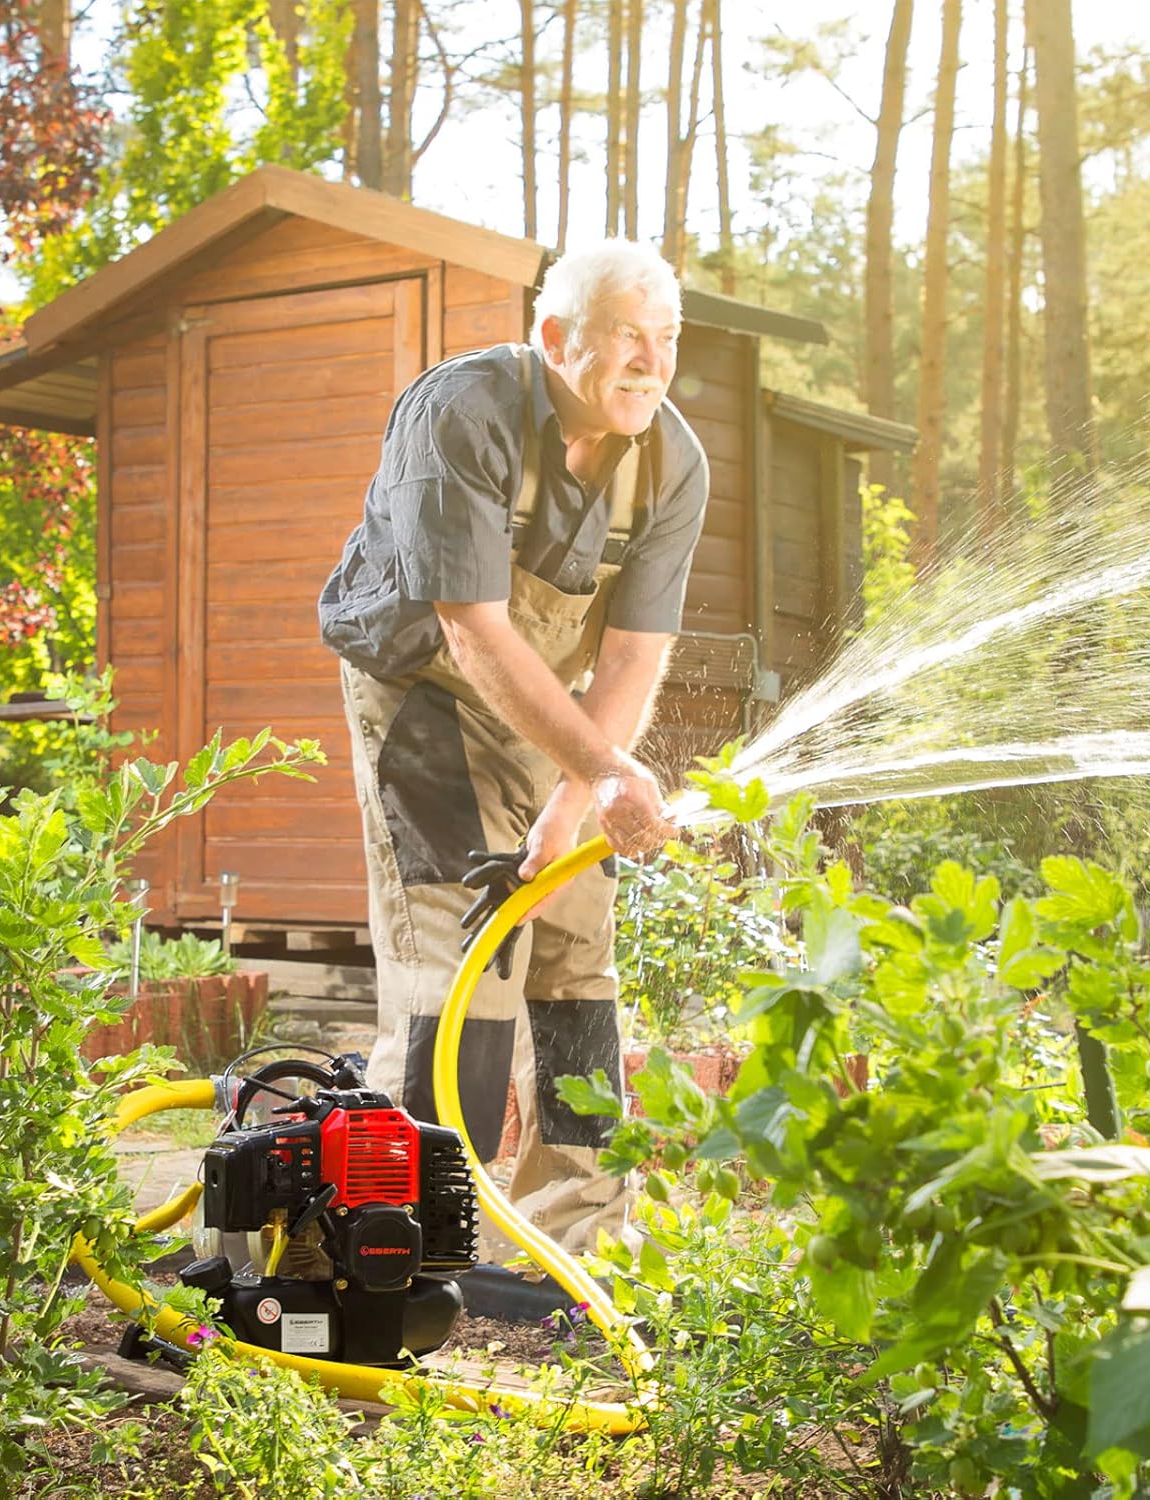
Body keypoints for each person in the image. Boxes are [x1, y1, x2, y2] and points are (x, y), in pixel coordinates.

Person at [318, 240, 709, 1253]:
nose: (650, 363)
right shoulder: (464, 412)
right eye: (627, 336)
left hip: (557, 714)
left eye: (666, 340)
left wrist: (576, 801)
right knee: (463, 963)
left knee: (577, 962)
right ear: (554, 338)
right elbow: (470, 628)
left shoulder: (674, 463)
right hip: (426, 698)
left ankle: (569, 1239)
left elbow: (630, 657)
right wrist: (601, 767)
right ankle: (402, 1241)